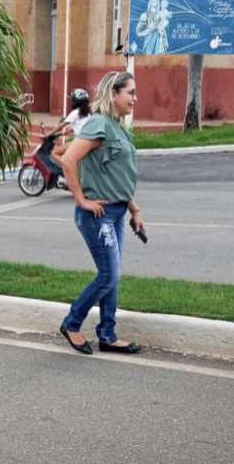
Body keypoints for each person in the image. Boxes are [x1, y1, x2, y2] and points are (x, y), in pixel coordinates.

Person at [58, 71, 145, 355]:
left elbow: (119, 176)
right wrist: (81, 200)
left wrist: (134, 209)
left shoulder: (116, 126)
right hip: (98, 215)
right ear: (114, 94)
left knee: (113, 276)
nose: (135, 98)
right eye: (130, 92)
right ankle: (72, 324)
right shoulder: (98, 123)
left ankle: (107, 335)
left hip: (117, 212)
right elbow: (68, 160)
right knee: (108, 275)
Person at [42, 88, 91, 163]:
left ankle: (67, 167)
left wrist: (47, 135)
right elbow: (82, 126)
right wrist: (67, 132)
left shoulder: (76, 112)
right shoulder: (88, 113)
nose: (72, 102)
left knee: (54, 153)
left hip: (77, 142)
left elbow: (61, 126)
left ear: (76, 101)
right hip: (87, 142)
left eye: (73, 100)